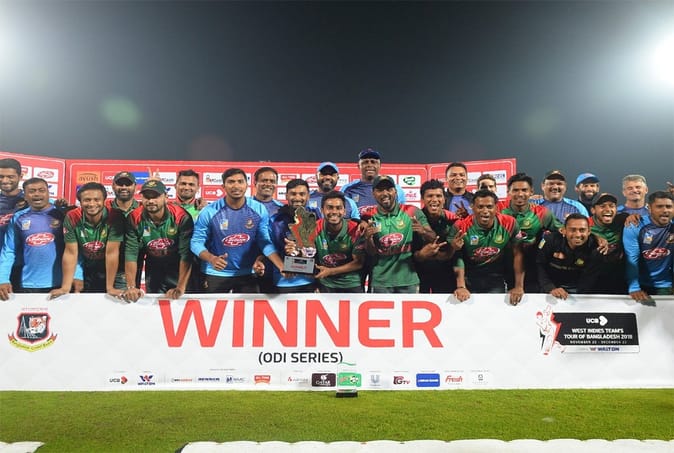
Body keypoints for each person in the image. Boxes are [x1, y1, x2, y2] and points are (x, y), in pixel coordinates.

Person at [191, 168, 284, 293]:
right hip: (216, 273)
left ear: (247, 185)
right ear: (223, 186)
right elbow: (196, 242)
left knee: (251, 307)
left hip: (247, 273)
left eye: (240, 182)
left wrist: (280, 265)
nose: (236, 186)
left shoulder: (259, 209)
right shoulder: (209, 211)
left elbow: (264, 241)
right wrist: (211, 259)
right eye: (231, 182)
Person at [117, 180, 194, 302]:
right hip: (154, 267)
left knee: (181, 304)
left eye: (155, 196)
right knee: (156, 307)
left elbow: (186, 254)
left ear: (166, 197)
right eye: (147, 197)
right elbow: (131, 253)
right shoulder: (134, 217)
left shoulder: (181, 217)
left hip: (178, 266)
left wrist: (181, 286)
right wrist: (131, 286)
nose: (151, 201)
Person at [449, 189, 524, 304]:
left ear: (496, 207)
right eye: (480, 207)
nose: (485, 211)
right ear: (472, 207)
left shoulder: (510, 223)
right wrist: (461, 286)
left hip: (496, 277)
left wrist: (518, 286)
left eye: (489, 207)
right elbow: (457, 257)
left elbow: (518, 254)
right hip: (469, 277)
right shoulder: (460, 226)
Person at [49, 182, 123, 298]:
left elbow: (112, 253)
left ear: (104, 200)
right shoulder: (72, 217)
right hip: (88, 266)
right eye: (87, 200)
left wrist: (110, 287)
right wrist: (65, 287)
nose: (92, 204)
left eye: (96, 200)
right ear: (80, 201)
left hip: (113, 268)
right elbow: (70, 253)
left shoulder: (114, 216)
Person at [359, 175, 432, 293]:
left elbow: (433, 237)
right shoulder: (368, 216)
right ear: (373, 194)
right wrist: (368, 238)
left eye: (389, 189)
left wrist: (423, 231)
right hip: (380, 281)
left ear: (395, 191)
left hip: (408, 280)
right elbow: (371, 252)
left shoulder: (412, 211)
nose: (385, 193)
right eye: (380, 190)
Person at [287, 191, 365, 293]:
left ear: (344, 211)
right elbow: (306, 256)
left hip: (351, 283)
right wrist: (294, 255)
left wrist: (330, 271)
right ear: (322, 210)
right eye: (330, 207)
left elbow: (358, 263)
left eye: (338, 208)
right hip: (325, 283)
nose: (334, 212)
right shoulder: (313, 228)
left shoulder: (355, 229)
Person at [0, 178, 65, 299]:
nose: (37, 194)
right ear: (25, 196)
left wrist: (77, 275)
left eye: (41, 190)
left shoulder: (62, 215)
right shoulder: (18, 218)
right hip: (27, 283)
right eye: (32, 191)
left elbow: (73, 249)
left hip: (60, 284)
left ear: (48, 193)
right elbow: (9, 250)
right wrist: (2, 279)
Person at [499, 173, 561, 293]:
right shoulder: (498, 209)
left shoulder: (542, 213)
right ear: (508, 192)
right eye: (515, 190)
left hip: (531, 264)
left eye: (524, 190)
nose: (520, 194)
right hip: (501, 263)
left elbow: (562, 231)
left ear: (531, 192)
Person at [412, 179, 467, 294]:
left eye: (438, 196)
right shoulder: (414, 220)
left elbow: (458, 256)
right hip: (419, 275)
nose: (434, 200)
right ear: (422, 199)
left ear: (444, 199)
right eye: (430, 196)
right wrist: (421, 255)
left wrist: (461, 285)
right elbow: (411, 254)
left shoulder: (453, 220)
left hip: (446, 275)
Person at [536, 213, 605, 299]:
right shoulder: (550, 240)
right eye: (572, 230)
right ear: (563, 230)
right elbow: (540, 265)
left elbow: (590, 278)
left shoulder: (596, 248)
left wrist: (578, 298)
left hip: (578, 290)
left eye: (582, 230)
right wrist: (550, 287)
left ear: (589, 231)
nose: (577, 234)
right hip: (550, 286)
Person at [270, 178, 321, 293]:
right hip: (284, 280)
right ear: (286, 196)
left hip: (311, 280)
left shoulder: (316, 215)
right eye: (293, 194)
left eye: (302, 194)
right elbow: (269, 249)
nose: (297, 198)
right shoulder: (276, 220)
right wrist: (283, 263)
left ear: (308, 196)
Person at [623, 191, 674, 301]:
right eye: (659, 206)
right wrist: (634, 287)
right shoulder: (635, 225)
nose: (665, 210)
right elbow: (632, 258)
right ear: (649, 208)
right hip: (639, 284)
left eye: (669, 206)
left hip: (666, 284)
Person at [104, 171, 141, 292]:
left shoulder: (143, 209)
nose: (124, 187)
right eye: (120, 184)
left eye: (128, 184)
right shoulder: (104, 209)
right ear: (113, 186)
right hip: (103, 266)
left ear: (135, 186)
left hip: (133, 265)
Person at [587, 193, 629, 294]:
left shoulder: (622, 220)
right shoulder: (585, 224)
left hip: (618, 277)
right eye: (602, 206)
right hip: (592, 279)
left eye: (611, 206)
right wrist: (594, 237)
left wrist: (633, 217)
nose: (608, 209)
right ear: (593, 210)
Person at [174, 169, 207, 292]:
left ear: (198, 188)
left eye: (191, 184)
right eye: (183, 183)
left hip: (198, 264)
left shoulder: (205, 210)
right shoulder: (166, 208)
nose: (187, 187)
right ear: (175, 186)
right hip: (171, 264)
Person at [341, 148, 406, 212]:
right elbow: (344, 214)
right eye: (365, 162)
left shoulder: (395, 189)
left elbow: (400, 214)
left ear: (380, 166)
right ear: (359, 166)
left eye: (373, 162)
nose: (369, 165)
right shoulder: (348, 189)